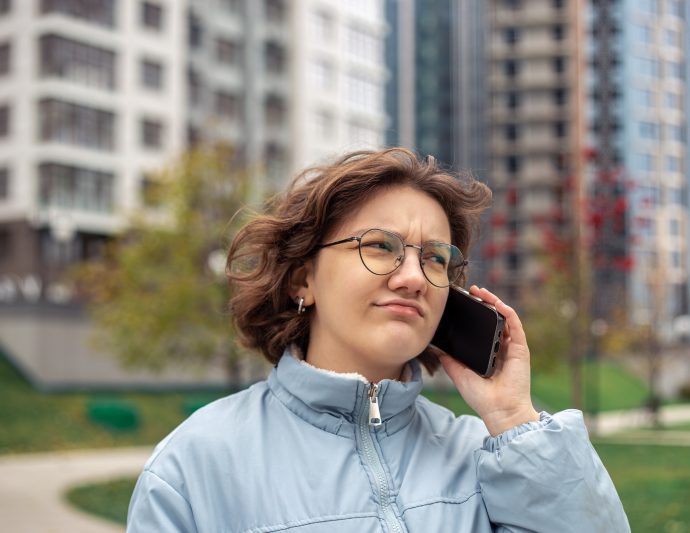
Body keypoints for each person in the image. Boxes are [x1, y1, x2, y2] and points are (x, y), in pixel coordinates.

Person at [127, 148, 630, 532]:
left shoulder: (488, 455)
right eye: (380, 246)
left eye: (435, 257)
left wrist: (512, 417)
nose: (413, 276)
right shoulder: (196, 464)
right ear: (304, 279)